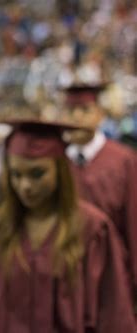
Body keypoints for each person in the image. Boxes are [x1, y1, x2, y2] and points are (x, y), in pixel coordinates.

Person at [0, 119, 134, 332]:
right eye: (16, 175)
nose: (25, 186)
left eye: (37, 174)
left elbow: (113, 316)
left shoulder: (93, 229)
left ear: (60, 170)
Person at [62, 84, 137, 308]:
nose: (75, 116)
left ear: (99, 114)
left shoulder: (124, 160)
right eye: (69, 110)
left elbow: (134, 224)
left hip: (113, 277)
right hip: (65, 278)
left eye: (84, 109)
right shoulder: (54, 162)